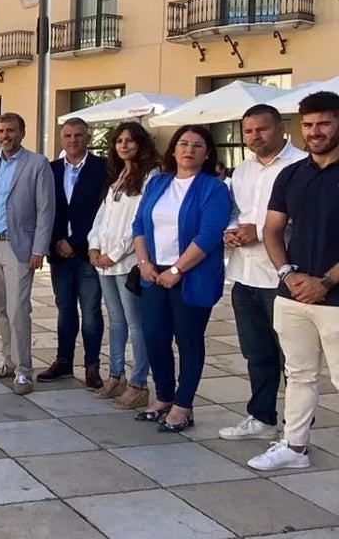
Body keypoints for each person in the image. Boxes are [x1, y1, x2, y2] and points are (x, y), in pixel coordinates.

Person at [247, 91, 339, 471]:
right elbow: (271, 230)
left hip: (334, 298)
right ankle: (295, 447)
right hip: (293, 293)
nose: (314, 131)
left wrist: (325, 282)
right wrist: (289, 273)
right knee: (298, 374)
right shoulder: (292, 173)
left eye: (323, 123)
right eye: (308, 124)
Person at [132, 125, 230, 433]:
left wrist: (177, 270)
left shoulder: (213, 189)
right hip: (153, 272)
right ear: (173, 150)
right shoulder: (158, 183)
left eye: (198, 145)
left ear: (207, 153)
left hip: (191, 274)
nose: (189, 149)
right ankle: (163, 396)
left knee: (188, 339)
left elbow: (209, 234)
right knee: (155, 337)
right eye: (183, 144)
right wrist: (144, 262)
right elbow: (139, 224)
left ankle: (183, 405)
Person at [217, 105, 306, 441]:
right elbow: (236, 211)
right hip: (245, 274)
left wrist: (262, 229)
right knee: (256, 353)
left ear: (281, 128)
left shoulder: (300, 166)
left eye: (261, 129)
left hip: (284, 277)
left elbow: (307, 218)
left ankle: (297, 426)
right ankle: (262, 416)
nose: (254, 136)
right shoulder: (242, 170)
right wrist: (232, 230)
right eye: (248, 131)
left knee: (293, 359)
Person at [0, 113, 56, 396]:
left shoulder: (37, 164)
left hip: (20, 247)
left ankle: (24, 370)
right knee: (1, 308)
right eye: (0, 131)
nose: (5, 136)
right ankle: (7, 360)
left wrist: (39, 249)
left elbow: (46, 210)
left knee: (20, 310)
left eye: (10, 131)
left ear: (23, 132)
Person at [87, 122, 158, 410]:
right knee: (116, 321)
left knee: (135, 324)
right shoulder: (118, 177)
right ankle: (116, 374)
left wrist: (114, 254)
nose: (124, 145)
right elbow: (102, 217)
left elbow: (138, 223)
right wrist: (93, 246)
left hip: (127, 262)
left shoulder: (150, 178)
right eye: (119, 141)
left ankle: (139, 382)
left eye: (130, 140)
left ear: (140, 144)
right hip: (104, 262)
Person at [40, 118, 108, 388]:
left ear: (87, 137)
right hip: (58, 252)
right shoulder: (51, 169)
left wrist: (76, 242)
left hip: (87, 252)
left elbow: (101, 213)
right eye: (67, 135)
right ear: (61, 139)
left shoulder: (102, 168)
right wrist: (56, 241)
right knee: (64, 309)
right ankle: (63, 361)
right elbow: (44, 208)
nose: (73, 140)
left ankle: (92, 366)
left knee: (91, 311)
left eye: (78, 135)